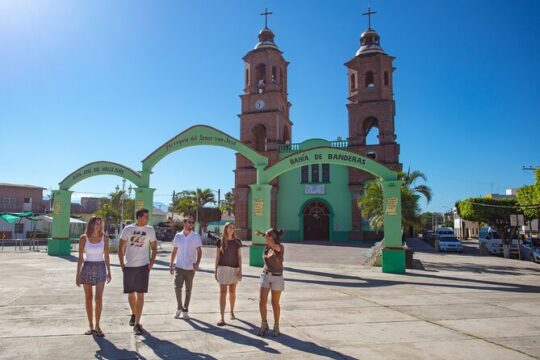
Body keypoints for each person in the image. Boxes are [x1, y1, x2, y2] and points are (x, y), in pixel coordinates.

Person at [118, 208, 157, 335]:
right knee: (131, 294)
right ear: (139, 217)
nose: (147, 219)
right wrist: (122, 264)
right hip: (129, 266)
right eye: (146, 216)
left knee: (140, 295)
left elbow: (154, 248)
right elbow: (120, 246)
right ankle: (134, 314)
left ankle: (137, 324)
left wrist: (151, 263)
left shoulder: (150, 230)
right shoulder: (128, 229)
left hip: (143, 267)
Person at [76, 216, 111, 337]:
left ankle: (98, 325)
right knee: (88, 298)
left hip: (101, 267)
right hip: (87, 267)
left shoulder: (105, 238)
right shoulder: (83, 238)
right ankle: (90, 325)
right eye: (96, 224)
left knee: (99, 298)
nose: (99, 226)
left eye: (100, 224)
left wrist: (109, 271)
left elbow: (106, 256)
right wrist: (77, 275)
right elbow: (80, 258)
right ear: (91, 225)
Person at [169, 216, 202, 320]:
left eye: (192, 222)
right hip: (179, 266)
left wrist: (197, 263)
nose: (191, 224)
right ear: (184, 223)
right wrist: (171, 264)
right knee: (177, 287)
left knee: (188, 289)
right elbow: (174, 250)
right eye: (189, 222)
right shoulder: (178, 236)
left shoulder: (195, 236)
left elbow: (199, 251)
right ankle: (179, 307)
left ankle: (185, 309)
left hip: (190, 268)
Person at [256, 228, 285, 337]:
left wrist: (264, 235)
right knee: (262, 301)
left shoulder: (280, 247)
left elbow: (276, 247)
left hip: (277, 277)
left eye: (268, 236)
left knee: (275, 303)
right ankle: (264, 324)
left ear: (272, 237)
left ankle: (276, 326)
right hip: (266, 275)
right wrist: (265, 235)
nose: (265, 238)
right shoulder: (267, 248)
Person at [214, 222, 242, 326]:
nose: (231, 229)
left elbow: (239, 257)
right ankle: (222, 317)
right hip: (222, 268)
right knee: (222, 293)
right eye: (230, 227)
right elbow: (217, 257)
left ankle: (231, 312)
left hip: (234, 269)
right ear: (225, 229)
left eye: (233, 228)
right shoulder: (219, 242)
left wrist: (240, 270)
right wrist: (215, 270)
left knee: (232, 293)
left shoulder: (237, 242)